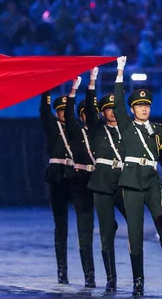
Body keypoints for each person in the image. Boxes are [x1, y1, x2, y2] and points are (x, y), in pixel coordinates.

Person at [114, 56, 162, 297]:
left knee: (158, 208)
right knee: (135, 233)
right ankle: (138, 280)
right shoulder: (127, 126)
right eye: (139, 106)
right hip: (130, 179)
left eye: (147, 105)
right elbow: (117, 103)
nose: (144, 108)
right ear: (132, 109)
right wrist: (120, 71)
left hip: (151, 176)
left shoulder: (160, 129)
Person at [84, 67, 127, 291]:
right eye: (107, 109)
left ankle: (139, 276)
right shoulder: (97, 129)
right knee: (106, 232)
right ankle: (111, 277)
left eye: (114, 108)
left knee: (136, 222)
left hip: (125, 181)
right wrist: (92, 81)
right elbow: (89, 110)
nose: (111, 112)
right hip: (102, 182)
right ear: (102, 113)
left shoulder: (129, 130)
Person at [39, 87, 81, 285]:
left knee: (85, 224)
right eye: (61, 111)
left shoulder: (79, 128)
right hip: (57, 178)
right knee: (61, 226)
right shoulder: (52, 126)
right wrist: (46, 87)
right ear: (57, 113)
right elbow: (43, 111)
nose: (65, 114)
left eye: (67, 110)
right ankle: (62, 271)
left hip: (77, 177)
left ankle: (88, 272)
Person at [63, 76, 95, 288]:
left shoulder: (101, 131)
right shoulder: (75, 131)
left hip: (101, 181)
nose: (88, 116)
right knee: (85, 232)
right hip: (81, 182)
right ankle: (89, 275)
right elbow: (67, 112)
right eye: (84, 113)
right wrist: (74, 89)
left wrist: (93, 83)